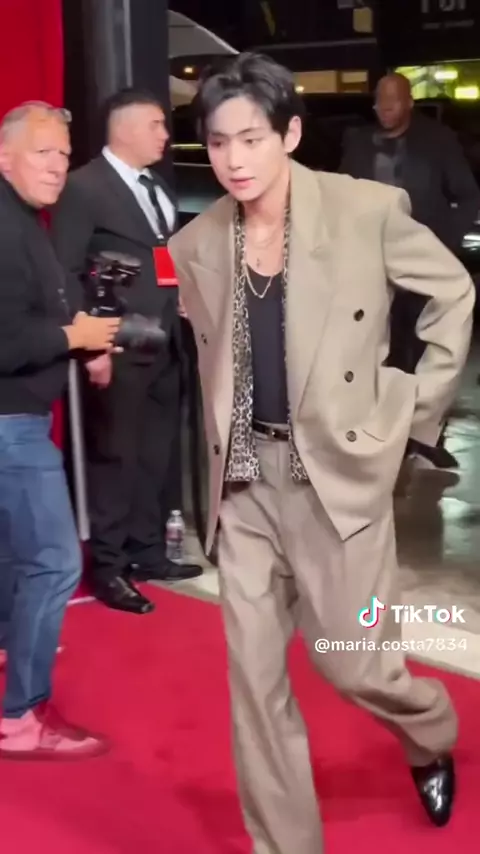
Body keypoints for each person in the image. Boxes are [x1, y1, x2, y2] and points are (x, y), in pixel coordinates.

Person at [168, 53, 475, 853]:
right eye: (218, 142)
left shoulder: (363, 210)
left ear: (291, 134)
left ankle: (428, 731)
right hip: (245, 490)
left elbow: (453, 292)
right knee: (254, 686)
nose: (234, 159)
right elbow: (213, 364)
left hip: (335, 479)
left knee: (351, 662)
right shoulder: (199, 242)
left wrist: (409, 412)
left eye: (252, 139)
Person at [50, 89, 202, 616]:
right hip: (115, 343)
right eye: (156, 124)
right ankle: (109, 567)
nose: (165, 135)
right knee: (114, 458)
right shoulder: (84, 187)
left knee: (155, 455)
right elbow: (66, 270)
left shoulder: (156, 185)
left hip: (165, 340)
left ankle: (148, 552)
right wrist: (90, 345)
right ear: (125, 128)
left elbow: (162, 256)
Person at [0, 101, 121, 759]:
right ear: (5, 156)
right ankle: (21, 717)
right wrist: (73, 337)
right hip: (9, 426)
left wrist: (83, 341)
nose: (56, 167)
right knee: (53, 562)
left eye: (64, 156)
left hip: (16, 420)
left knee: (14, 556)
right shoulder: (5, 226)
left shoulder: (22, 220)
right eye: (43, 152)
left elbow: (36, 310)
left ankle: (8, 650)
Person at [340, 72, 480, 470]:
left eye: (392, 103)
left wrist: (442, 243)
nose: (384, 110)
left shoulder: (437, 141)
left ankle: (425, 437)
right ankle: (383, 434)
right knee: (378, 351)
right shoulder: (358, 142)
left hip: (420, 265)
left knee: (424, 350)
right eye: (378, 103)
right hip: (370, 263)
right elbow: (341, 194)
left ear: (409, 103)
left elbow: (468, 196)